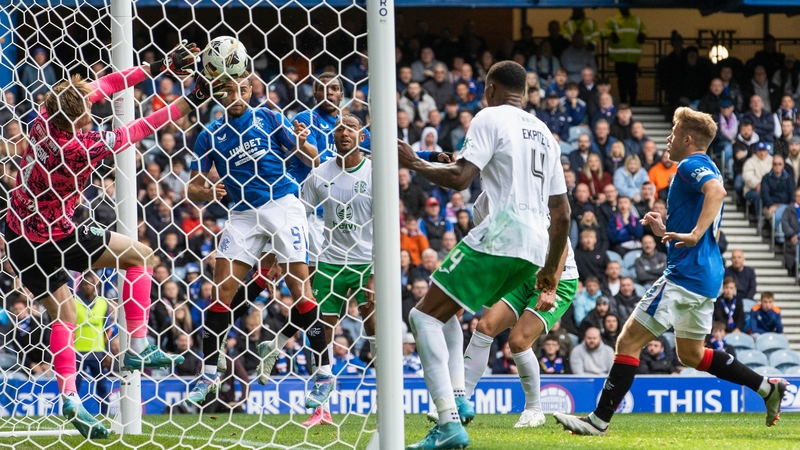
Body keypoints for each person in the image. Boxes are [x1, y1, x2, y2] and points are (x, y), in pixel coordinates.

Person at [4, 43, 204, 438]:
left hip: (17, 233)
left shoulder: (44, 116)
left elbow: (110, 83)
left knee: (65, 316)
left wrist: (160, 65)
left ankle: (71, 399)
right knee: (141, 256)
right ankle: (138, 345)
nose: (91, 116)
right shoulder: (81, 147)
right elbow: (143, 127)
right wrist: (193, 99)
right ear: (78, 121)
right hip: (58, 235)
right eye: (87, 116)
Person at [555, 107, 787, 437]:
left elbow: (717, 195)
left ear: (687, 139)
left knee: (627, 341)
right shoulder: (709, 167)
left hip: (684, 275)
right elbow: (711, 218)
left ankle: (598, 421)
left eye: (674, 132)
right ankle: (767, 387)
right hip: (706, 277)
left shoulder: (692, 164)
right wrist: (668, 228)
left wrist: (692, 235)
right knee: (690, 354)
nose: (668, 137)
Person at [397, 61, 570, 449]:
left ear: (490, 89)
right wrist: (549, 273)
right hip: (534, 247)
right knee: (447, 309)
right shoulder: (545, 133)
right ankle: (458, 394)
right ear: (523, 93)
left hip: (500, 235)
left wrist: (413, 163)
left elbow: (460, 178)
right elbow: (563, 214)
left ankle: (447, 423)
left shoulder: (488, 117)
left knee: (421, 315)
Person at [185, 70, 328, 408]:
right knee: (221, 292)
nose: (235, 95)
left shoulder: (269, 117)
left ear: (249, 91)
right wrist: (208, 190)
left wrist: (304, 141)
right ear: (220, 94)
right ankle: (208, 373)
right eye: (228, 90)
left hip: (282, 204)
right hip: (242, 213)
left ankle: (323, 373)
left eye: (241, 89)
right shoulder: (209, 135)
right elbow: (192, 187)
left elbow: (310, 158)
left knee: (299, 289)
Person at [458, 190, 578, 428]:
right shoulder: (482, 204)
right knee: (484, 327)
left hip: (558, 278)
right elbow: (488, 252)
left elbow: (561, 242)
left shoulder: (528, 193)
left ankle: (534, 409)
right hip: (520, 274)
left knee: (518, 341)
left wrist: (550, 287)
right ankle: (459, 402)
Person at [299, 114, 376, 425]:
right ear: (332, 136)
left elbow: (388, 221)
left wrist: (379, 270)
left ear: (362, 136)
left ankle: (388, 397)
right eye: (339, 128)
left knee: (375, 330)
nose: (344, 132)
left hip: (369, 260)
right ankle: (322, 407)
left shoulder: (374, 172)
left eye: (351, 127)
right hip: (331, 260)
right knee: (320, 329)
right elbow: (300, 212)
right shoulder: (320, 174)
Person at [73, 271, 113, 415]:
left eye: (91, 284)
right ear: (81, 286)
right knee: (75, 386)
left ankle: (105, 413)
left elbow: (107, 330)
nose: (88, 287)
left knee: (102, 385)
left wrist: (108, 352)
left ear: (96, 286)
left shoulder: (103, 302)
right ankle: (75, 413)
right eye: (85, 284)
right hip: (77, 351)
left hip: (98, 351)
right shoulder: (73, 301)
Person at [605, 8, 646, 106]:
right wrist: (611, 33)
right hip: (620, 58)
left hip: (632, 58)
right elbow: (604, 29)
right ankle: (624, 102)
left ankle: (632, 102)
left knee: (632, 82)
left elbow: (644, 30)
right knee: (622, 82)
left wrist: (643, 35)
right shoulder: (614, 20)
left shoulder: (637, 20)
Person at [761, 154, 795, 243]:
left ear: (783, 165)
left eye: (780, 164)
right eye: (775, 164)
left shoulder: (789, 178)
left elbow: (792, 193)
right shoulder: (766, 178)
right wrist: (770, 205)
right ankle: (779, 236)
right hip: (772, 205)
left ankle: (784, 236)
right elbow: (765, 194)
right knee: (775, 215)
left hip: (786, 205)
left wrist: (791, 205)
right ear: (772, 165)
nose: (777, 166)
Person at [742, 143, 773, 209]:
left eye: (763, 150)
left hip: (770, 188)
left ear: (767, 151)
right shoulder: (750, 162)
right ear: (756, 151)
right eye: (760, 151)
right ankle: (759, 217)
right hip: (752, 189)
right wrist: (757, 184)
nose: (762, 153)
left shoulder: (773, 160)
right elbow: (748, 176)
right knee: (758, 196)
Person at [781, 187, 800, 275]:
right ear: (795, 197)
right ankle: (793, 269)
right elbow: (784, 222)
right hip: (792, 237)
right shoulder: (789, 209)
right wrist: (792, 234)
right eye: (798, 196)